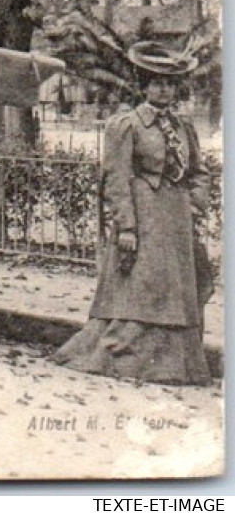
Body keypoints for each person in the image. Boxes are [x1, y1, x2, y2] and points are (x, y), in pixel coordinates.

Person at [52, 43, 212, 385]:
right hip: (143, 217)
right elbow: (116, 177)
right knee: (141, 286)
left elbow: (199, 172)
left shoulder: (183, 127)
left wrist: (194, 202)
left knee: (175, 290)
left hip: (177, 221)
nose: (163, 89)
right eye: (156, 83)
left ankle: (173, 366)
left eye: (169, 84)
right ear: (144, 86)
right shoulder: (126, 125)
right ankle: (127, 361)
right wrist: (126, 226)